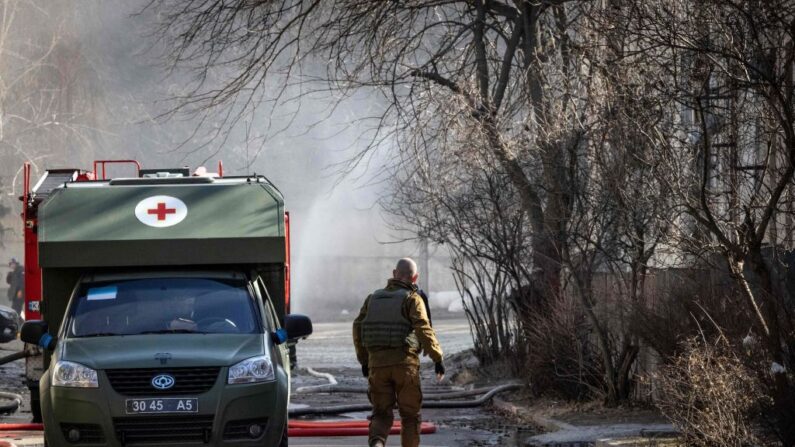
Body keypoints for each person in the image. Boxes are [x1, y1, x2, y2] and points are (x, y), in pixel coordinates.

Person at [353, 258, 445, 447]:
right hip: (405, 366)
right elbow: (423, 328)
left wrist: (364, 361)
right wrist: (437, 358)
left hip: (377, 367)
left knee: (381, 414)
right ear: (415, 277)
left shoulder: (372, 299)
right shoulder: (413, 298)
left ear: (395, 274)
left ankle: (377, 444)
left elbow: (358, 328)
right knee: (410, 416)